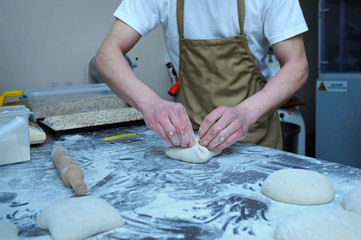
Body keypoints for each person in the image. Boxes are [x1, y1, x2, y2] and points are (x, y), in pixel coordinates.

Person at [94, 0, 309, 152]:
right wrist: (149, 103)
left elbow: (297, 65)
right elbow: (106, 56)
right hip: (191, 142)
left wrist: (245, 112)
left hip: (255, 139)